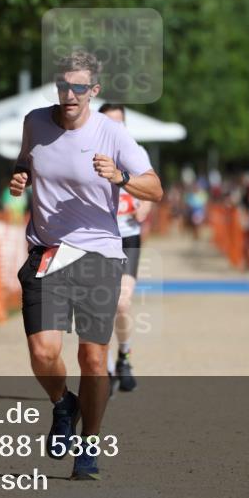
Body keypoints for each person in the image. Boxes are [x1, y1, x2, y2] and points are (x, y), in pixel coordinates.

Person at [9, 51, 163, 480]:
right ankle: (64, 403)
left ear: (93, 91)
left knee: (93, 359)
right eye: (63, 86)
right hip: (48, 251)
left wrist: (120, 178)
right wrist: (19, 175)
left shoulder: (112, 134)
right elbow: (26, 160)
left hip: (98, 253)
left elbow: (156, 189)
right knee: (43, 353)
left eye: (79, 87)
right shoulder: (35, 122)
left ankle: (89, 444)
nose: (70, 95)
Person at [98, 103, 151, 393]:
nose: (113, 129)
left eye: (119, 124)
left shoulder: (135, 151)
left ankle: (124, 356)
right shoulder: (86, 151)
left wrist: (147, 207)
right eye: (108, 123)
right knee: (100, 306)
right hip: (97, 239)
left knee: (120, 302)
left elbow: (153, 186)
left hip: (128, 236)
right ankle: (103, 369)